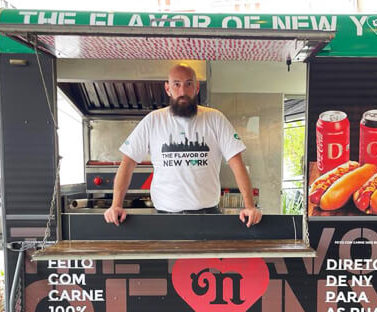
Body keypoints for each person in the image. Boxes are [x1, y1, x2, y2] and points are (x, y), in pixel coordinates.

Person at [103, 64, 262, 228]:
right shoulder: (153, 121)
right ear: (167, 88)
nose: (183, 91)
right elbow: (128, 163)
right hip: (164, 219)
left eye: (188, 84)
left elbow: (237, 162)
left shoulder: (215, 118)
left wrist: (249, 206)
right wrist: (116, 205)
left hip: (208, 216)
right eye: (176, 84)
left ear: (197, 87)